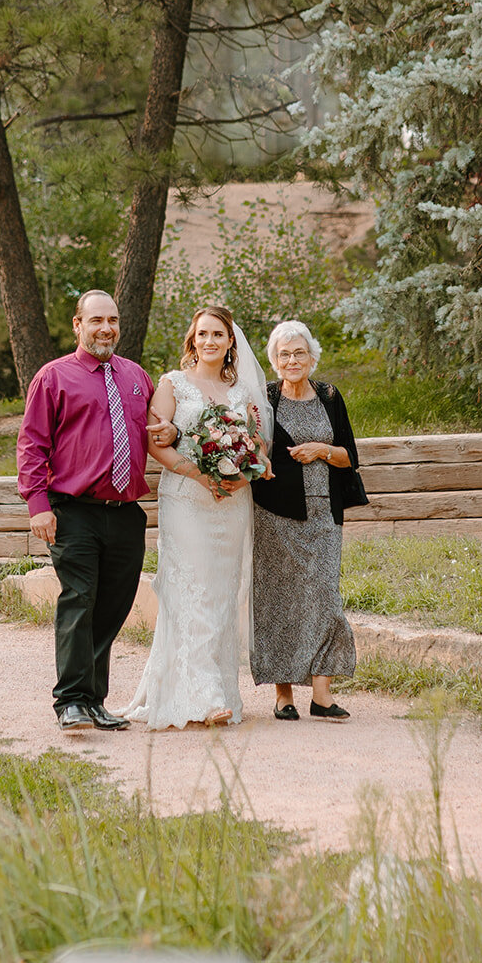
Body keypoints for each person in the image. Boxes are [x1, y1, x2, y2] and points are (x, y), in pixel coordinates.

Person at [17, 289, 178, 733]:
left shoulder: (135, 376)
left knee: (113, 606)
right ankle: (70, 700)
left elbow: (156, 429)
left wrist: (176, 430)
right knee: (79, 600)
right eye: (96, 320)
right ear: (78, 325)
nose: (106, 328)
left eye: (112, 320)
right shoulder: (53, 378)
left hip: (126, 512)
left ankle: (94, 700)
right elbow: (32, 444)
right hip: (75, 511)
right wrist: (38, 505)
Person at [124, 304, 271, 730]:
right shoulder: (172, 384)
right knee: (194, 587)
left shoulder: (242, 394)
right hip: (187, 500)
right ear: (193, 339)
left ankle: (218, 687)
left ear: (230, 344)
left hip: (231, 502)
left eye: (218, 335)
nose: (210, 341)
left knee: (223, 593)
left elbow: (257, 447)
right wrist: (200, 476)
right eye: (203, 334)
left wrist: (245, 474)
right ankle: (204, 695)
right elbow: (156, 443)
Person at [252, 319, 367, 722]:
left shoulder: (330, 396)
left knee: (324, 598)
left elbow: (349, 456)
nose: (292, 360)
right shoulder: (266, 399)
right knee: (279, 600)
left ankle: (321, 695)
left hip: (323, 510)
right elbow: (254, 451)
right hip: (274, 513)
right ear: (274, 361)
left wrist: (321, 448)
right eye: (284, 354)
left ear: (312, 357)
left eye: (299, 352)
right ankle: (284, 695)